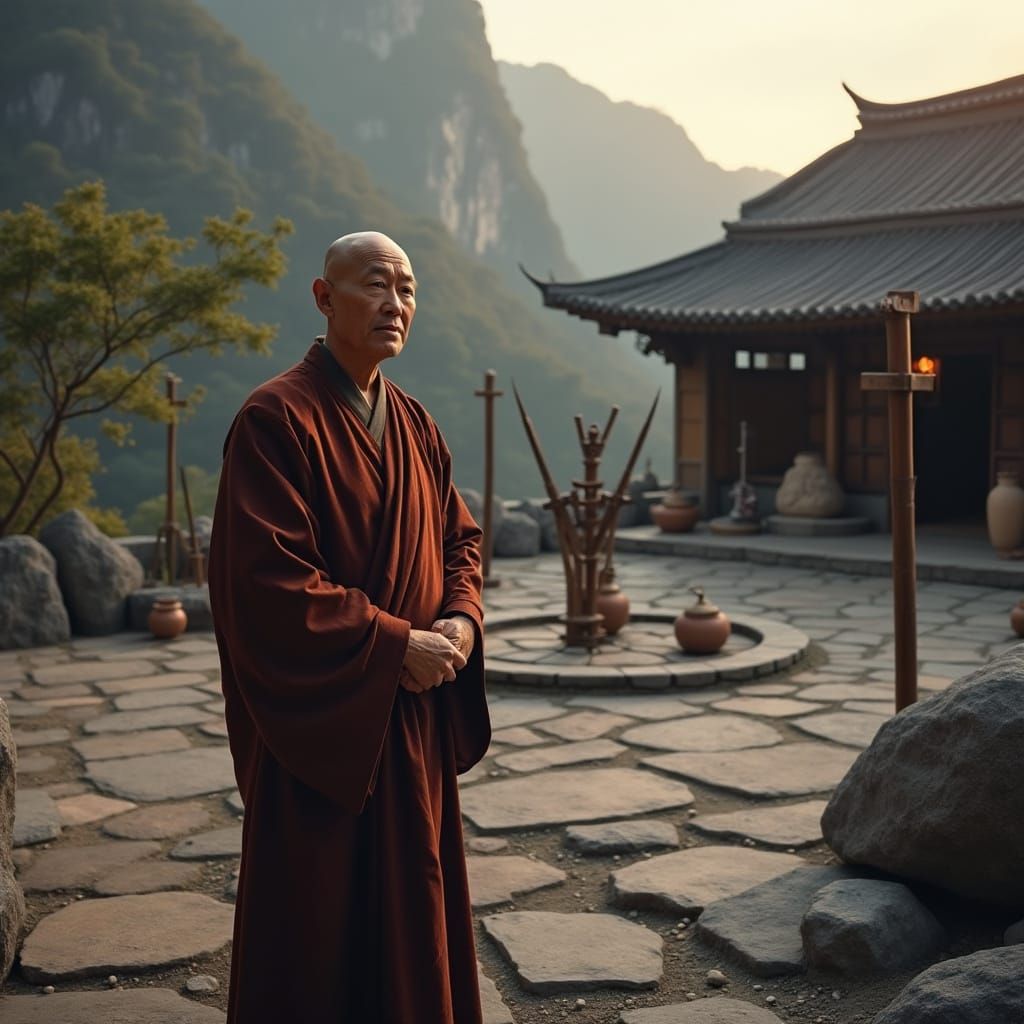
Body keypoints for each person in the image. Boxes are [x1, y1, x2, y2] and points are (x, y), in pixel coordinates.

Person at [207, 231, 490, 1023]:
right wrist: (395, 645)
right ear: (324, 298)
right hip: (325, 722)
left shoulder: (415, 422)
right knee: (316, 921)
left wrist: (461, 622)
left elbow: (459, 540)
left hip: (411, 717)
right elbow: (267, 583)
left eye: (408, 289)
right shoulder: (274, 419)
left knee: (415, 899)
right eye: (376, 285)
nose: (396, 304)